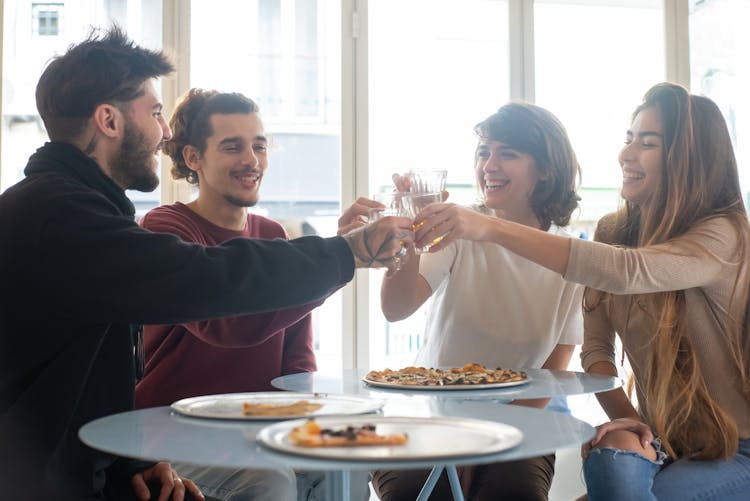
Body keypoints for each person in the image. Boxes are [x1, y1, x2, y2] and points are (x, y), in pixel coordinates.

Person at [0, 27, 412, 500]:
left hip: (79, 467)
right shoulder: (59, 216)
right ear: (109, 121)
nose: (165, 132)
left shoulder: (70, 210)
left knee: (345, 466)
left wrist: (128, 465)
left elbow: (89, 381)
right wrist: (349, 251)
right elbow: (209, 281)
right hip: (37, 481)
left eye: (259, 144)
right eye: (155, 113)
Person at [413, 83, 750, 500]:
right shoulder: (615, 231)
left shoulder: (723, 237)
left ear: (689, 158)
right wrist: (631, 422)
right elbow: (596, 352)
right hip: (666, 442)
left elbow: (628, 272)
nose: (626, 154)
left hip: (739, 450)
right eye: (629, 140)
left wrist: (490, 227)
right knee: (611, 456)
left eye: (647, 143)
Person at [135, 88, 369, 501]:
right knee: (269, 481)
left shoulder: (272, 234)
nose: (252, 160)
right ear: (193, 158)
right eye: (232, 147)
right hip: (174, 436)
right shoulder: (166, 229)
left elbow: (297, 354)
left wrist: (301, 426)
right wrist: (342, 256)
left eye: (259, 146)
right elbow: (225, 323)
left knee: (350, 462)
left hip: (256, 431)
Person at [372, 102, 584, 501]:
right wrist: (411, 237)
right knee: (416, 493)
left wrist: (485, 440)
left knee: (513, 494)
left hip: (520, 418)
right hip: (430, 413)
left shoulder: (570, 254)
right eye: (484, 152)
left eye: (508, 153)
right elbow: (396, 309)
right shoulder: (459, 226)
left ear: (546, 169)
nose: (489, 164)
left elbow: (555, 367)